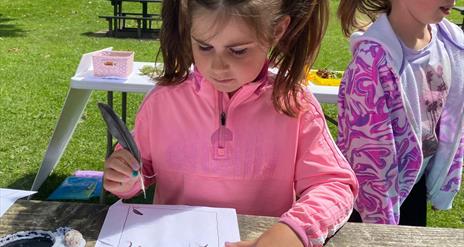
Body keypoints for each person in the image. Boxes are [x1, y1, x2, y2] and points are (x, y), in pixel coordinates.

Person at [103, 0, 358, 246]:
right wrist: (124, 177)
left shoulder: (294, 106)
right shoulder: (162, 102)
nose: (218, 66)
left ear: (277, 31)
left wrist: (295, 231)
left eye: (237, 50)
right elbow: (139, 167)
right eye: (204, 47)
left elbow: (334, 185)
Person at [336, 0, 464, 226]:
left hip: (415, 186)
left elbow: (453, 124)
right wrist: (381, 224)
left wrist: (443, 181)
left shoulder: (450, 44)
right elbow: (369, 156)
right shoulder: (372, 63)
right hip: (371, 205)